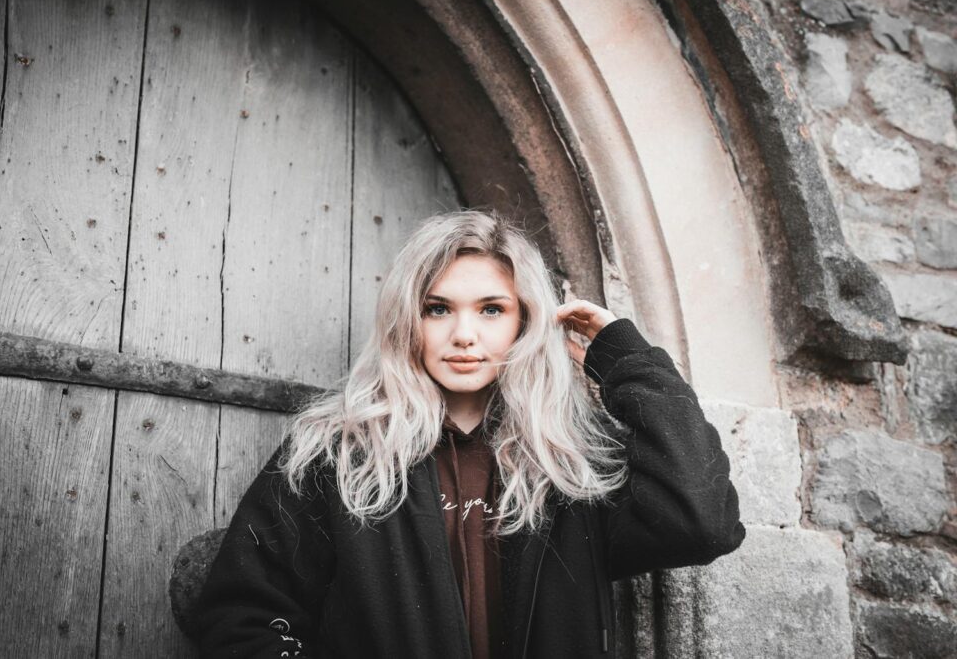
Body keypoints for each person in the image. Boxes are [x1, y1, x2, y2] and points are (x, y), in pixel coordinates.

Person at [195, 209, 745, 658]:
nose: (463, 335)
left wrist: (627, 360)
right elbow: (241, 614)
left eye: (491, 309)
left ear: (524, 321)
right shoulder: (338, 454)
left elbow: (698, 524)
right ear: (408, 320)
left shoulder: (571, 466)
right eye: (438, 309)